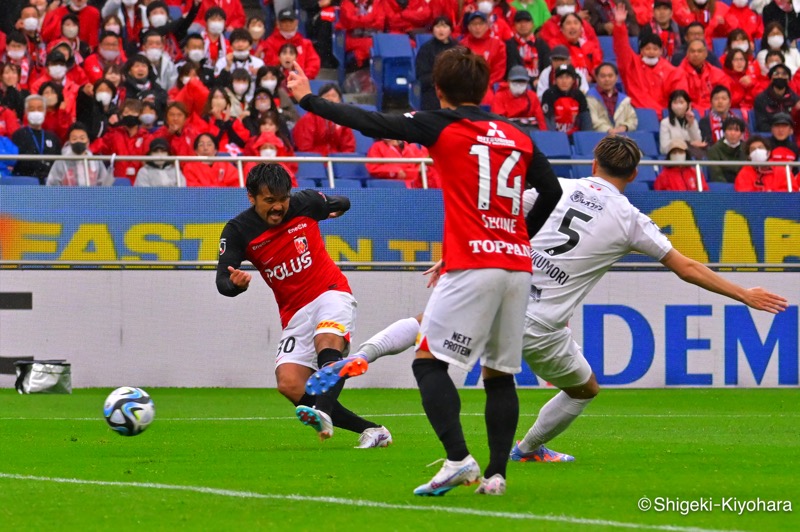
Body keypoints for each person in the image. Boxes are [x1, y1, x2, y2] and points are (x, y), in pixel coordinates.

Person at [314, 136, 789, 468]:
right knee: (584, 390)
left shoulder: (555, 188)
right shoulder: (630, 218)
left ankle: (360, 356)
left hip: (501, 287)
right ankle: (527, 449)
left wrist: (451, 257)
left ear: (594, 164)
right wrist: (744, 292)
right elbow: (687, 267)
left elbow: (491, 214)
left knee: (426, 325)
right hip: (542, 323)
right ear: (632, 175)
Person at [288, 47, 563, 496]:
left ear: (438, 90)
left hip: (474, 262)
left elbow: (371, 122)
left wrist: (308, 99)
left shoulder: (441, 123)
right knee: (498, 374)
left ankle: (458, 458)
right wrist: (517, 237)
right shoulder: (518, 133)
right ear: (485, 87)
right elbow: (549, 192)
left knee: (428, 363)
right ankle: (496, 475)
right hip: (516, 266)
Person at [216, 163, 392, 449]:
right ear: (251, 198)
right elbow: (222, 280)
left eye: (283, 199)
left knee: (327, 341)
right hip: (294, 313)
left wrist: (335, 206)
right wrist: (235, 285)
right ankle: (373, 431)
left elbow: (343, 202)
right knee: (289, 383)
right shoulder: (238, 230)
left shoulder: (305, 203)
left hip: (330, 292)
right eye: (269, 201)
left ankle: (322, 410)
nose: (278, 208)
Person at [612, 5, 682, 114]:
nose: (651, 52)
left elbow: (678, 96)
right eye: (647, 48)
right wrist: (620, 25)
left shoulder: (671, 71)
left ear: (660, 52)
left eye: (655, 49)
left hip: (664, 116)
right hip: (637, 114)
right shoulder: (631, 64)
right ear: (641, 51)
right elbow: (621, 47)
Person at [11, 94, 61, 184]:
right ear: (26, 112)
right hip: (24, 183)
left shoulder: (52, 137)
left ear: (45, 112)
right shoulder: (18, 135)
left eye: (40, 108)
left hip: (49, 182)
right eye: (32, 109)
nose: (36, 112)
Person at [292, 83, 355, 155]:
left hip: (338, 162)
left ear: (340, 100)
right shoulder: (308, 119)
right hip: (315, 162)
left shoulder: (343, 120)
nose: (330, 99)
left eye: (334, 96)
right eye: (326, 96)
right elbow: (304, 148)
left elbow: (348, 148)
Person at [46, 122, 113, 186]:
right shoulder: (61, 162)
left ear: (88, 141)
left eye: (82, 138)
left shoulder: (96, 161)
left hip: (92, 197)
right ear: (69, 142)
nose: (78, 141)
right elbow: (51, 185)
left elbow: (105, 185)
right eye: (74, 139)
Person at [415, 16, 457, 111]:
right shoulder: (426, 49)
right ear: (433, 29)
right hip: (432, 89)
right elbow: (422, 77)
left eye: (445, 26)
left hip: (454, 89)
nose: (441, 30)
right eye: (438, 26)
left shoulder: (457, 48)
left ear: (450, 30)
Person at [490, 65, 547, 131]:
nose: (519, 85)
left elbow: (540, 120)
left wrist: (543, 135)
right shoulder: (500, 96)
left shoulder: (532, 96)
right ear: (508, 82)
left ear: (527, 83)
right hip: (508, 131)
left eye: (522, 82)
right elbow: (498, 122)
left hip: (529, 131)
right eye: (515, 81)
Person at [365, 138, 439, 188]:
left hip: (415, 187)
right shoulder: (377, 147)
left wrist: (407, 172)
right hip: (393, 188)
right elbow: (373, 168)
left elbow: (423, 167)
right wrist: (397, 171)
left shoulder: (412, 147)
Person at [505, 10, 551, 92]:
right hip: (518, 82)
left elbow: (547, 67)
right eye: (519, 22)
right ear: (514, 25)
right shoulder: (509, 44)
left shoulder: (541, 44)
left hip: (540, 83)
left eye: (526, 22)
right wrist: (532, 80)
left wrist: (540, 81)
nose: (523, 25)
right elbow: (512, 67)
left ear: (532, 24)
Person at [586, 62, 637, 134]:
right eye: (603, 76)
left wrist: (624, 127)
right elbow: (593, 120)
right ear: (596, 78)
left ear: (616, 78)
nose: (607, 79)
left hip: (622, 137)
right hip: (600, 137)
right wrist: (609, 130)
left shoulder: (624, 100)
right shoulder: (589, 97)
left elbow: (632, 119)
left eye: (610, 76)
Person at [735, 135, 800, 192]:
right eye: (753, 149)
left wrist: (771, 194)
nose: (757, 151)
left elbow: (792, 191)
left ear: (768, 153)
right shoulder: (744, 173)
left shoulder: (782, 170)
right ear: (749, 156)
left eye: (760, 147)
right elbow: (744, 196)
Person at [541, 64, 592, 135]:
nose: (564, 81)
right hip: (556, 136)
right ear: (555, 80)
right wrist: (553, 137)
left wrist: (586, 137)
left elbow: (586, 120)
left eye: (567, 77)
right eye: (560, 77)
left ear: (573, 80)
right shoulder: (549, 94)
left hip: (576, 137)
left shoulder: (579, 95)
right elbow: (548, 120)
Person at [753, 63, 800, 132]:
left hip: (791, 136)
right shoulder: (761, 99)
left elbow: (796, 124)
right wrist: (780, 131)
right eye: (776, 73)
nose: (780, 76)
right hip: (769, 137)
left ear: (788, 79)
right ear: (771, 78)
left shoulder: (795, 99)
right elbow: (761, 124)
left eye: (784, 74)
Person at [659, 90, 704, 156]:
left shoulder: (693, 121)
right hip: (674, 157)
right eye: (675, 102)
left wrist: (691, 125)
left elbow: (698, 142)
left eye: (681, 102)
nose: (678, 106)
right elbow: (664, 148)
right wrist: (688, 144)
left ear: (688, 104)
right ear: (670, 105)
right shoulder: (665, 123)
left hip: (691, 156)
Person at [706, 116, 747, 183]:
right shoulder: (714, 150)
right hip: (724, 188)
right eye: (730, 129)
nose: (733, 133)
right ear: (724, 132)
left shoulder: (746, 149)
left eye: (736, 130)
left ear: (742, 134)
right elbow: (716, 175)